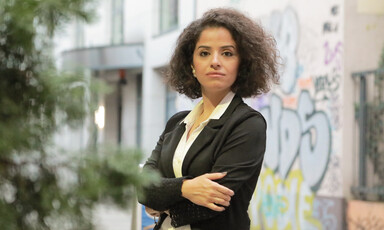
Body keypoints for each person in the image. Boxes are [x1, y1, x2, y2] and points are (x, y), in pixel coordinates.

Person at [138, 8, 280, 230]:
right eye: (204, 53)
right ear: (192, 65)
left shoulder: (247, 123)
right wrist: (185, 189)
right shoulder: (177, 123)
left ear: (242, 63)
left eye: (227, 53)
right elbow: (142, 186)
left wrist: (159, 202)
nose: (215, 61)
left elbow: (212, 203)